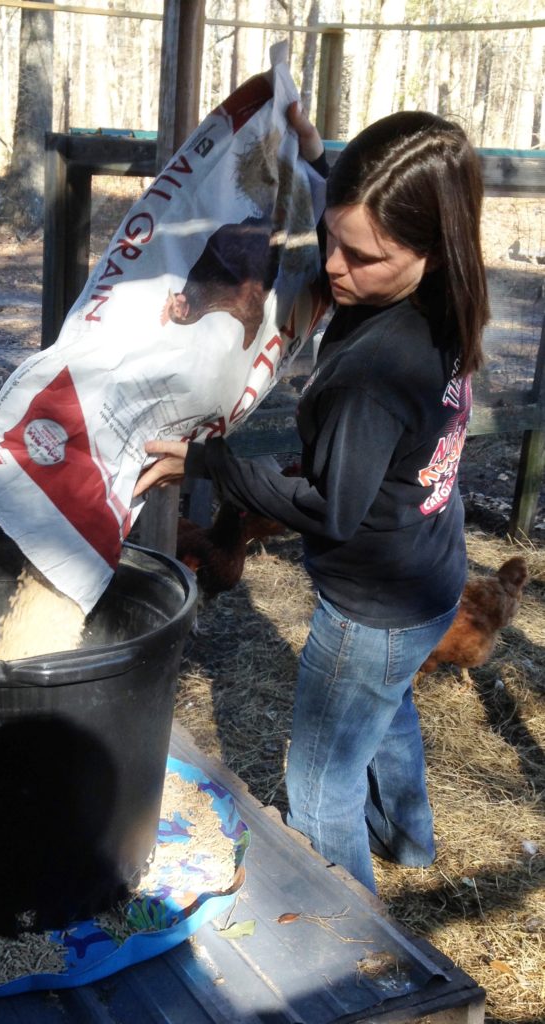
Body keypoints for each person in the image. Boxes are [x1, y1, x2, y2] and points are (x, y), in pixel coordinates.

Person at [133, 102, 489, 893]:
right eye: (331, 236)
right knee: (385, 712)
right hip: (431, 575)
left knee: (322, 787)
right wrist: (313, 160)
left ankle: (349, 956)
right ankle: (409, 839)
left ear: (431, 249)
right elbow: (362, 214)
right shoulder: (445, 302)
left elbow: (330, 508)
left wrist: (210, 463)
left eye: (362, 256)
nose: (332, 266)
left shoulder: (373, 372)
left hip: (372, 607)